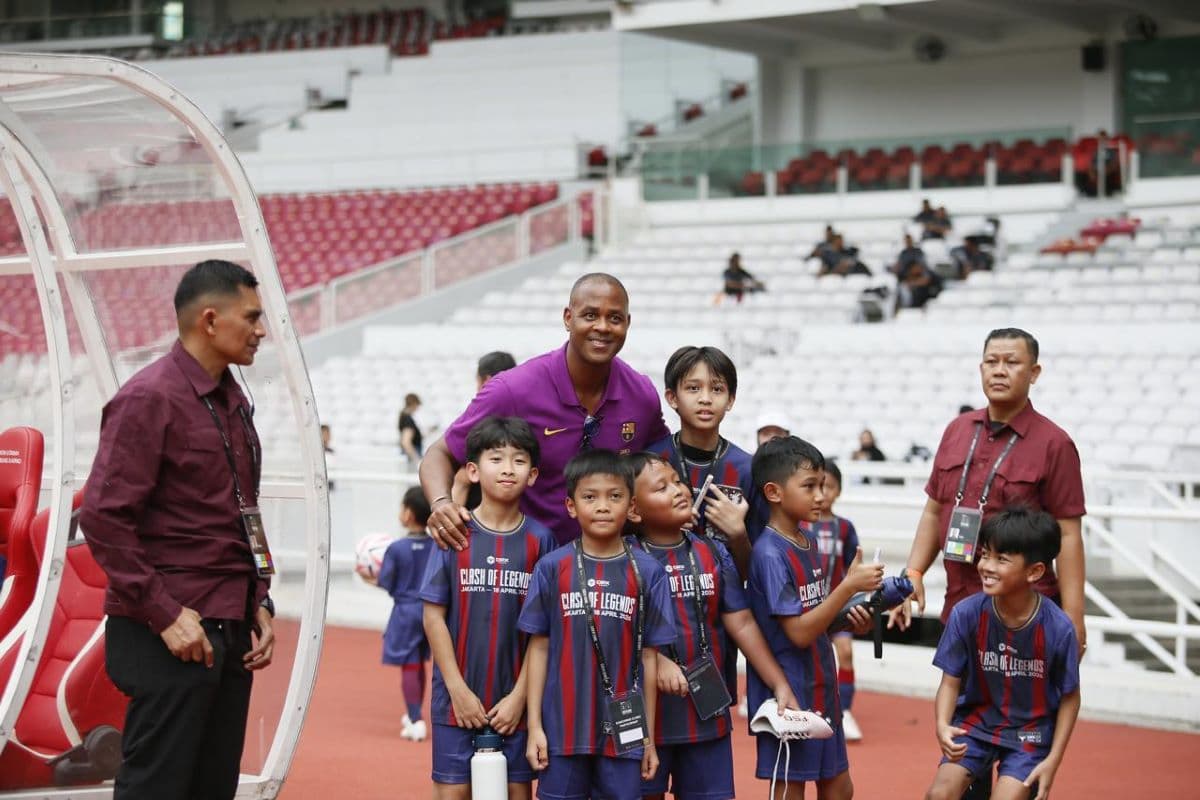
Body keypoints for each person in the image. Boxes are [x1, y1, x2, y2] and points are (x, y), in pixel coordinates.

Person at [80, 260, 276, 799]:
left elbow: (243, 509)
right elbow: (102, 515)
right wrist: (165, 614)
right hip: (169, 629)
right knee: (157, 788)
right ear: (210, 320)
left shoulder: (234, 400)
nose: (262, 330)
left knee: (213, 787)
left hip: (228, 623)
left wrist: (260, 596)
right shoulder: (150, 398)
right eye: (252, 317)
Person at [421, 272, 669, 548]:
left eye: (615, 318)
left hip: (608, 574)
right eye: (590, 315)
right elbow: (440, 453)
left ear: (627, 323)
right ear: (568, 318)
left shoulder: (642, 394)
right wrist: (442, 504)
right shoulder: (512, 389)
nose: (603, 327)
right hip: (526, 568)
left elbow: (665, 466)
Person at [890, 328, 1087, 659]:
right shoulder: (956, 430)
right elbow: (934, 510)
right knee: (959, 704)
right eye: (991, 361)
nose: (999, 370)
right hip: (959, 607)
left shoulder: (1055, 444)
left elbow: (1068, 535)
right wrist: (913, 574)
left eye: (1012, 362)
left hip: (1025, 614)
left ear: (1034, 372)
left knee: (1024, 708)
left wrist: (1074, 616)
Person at [625, 452, 799, 800]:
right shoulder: (623, 558)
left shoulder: (712, 552)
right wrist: (657, 661)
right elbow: (606, 632)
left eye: (677, 481)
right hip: (643, 720)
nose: (678, 489)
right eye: (662, 487)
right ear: (633, 510)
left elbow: (743, 622)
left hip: (705, 714)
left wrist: (779, 683)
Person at [518, 450, 676, 799]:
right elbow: (539, 647)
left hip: (625, 734)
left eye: (614, 496)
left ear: (631, 505)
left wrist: (647, 738)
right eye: (590, 497)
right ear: (572, 506)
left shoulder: (648, 571)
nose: (603, 506)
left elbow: (649, 659)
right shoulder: (551, 568)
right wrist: (534, 728)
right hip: (561, 732)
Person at [421, 416, 556, 798]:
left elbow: (542, 633)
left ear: (532, 475)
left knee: (515, 794)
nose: (508, 468)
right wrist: (457, 690)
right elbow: (433, 617)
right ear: (473, 471)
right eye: (496, 458)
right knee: (454, 793)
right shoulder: (454, 531)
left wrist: (520, 699)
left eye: (519, 460)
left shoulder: (541, 541)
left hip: (513, 705)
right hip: (456, 702)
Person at [745, 436, 882, 799]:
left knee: (839, 788)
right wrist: (848, 588)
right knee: (791, 788)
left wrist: (847, 618)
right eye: (810, 486)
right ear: (774, 492)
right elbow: (799, 633)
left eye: (823, 485)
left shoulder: (807, 540)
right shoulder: (770, 554)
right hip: (791, 690)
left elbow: (815, 616)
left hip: (823, 681)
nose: (821, 495)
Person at [924, 507, 1081, 800]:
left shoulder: (1059, 629)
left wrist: (1053, 760)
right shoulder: (966, 614)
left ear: (1034, 571)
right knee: (939, 795)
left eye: (1002, 559)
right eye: (985, 554)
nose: (986, 565)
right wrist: (942, 725)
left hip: (1029, 734)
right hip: (974, 725)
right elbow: (950, 681)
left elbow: (1070, 697)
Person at [648, 346, 762, 578]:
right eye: (693, 388)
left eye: (717, 389)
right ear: (672, 398)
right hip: (659, 600)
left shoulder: (748, 469)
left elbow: (759, 571)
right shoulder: (649, 462)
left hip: (727, 606)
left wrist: (738, 535)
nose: (705, 399)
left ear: (730, 400)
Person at [808, 461, 863, 742]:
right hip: (811, 609)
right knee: (813, 660)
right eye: (817, 486)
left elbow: (856, 563)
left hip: (839, 608)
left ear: (839, 491)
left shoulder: (845, 528)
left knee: (846, 653)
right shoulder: (802, 525)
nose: (823, 493)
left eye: (829, 486)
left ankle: (845, 711)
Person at [374, 486, 435, 742]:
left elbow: (386, 581)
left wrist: (370, 576)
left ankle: (415, 718)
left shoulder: (396, 548)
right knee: (419, 662)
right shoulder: (437, 545)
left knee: (409, 664)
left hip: (406, 610)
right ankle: (414, 714)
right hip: (430, 610)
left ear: (408, 514)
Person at [456, 351, 520, 509]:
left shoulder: (480, 415)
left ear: (486, 380)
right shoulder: (526, 413)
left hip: (480, 507)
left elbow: (463, 478)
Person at [398, 392, 423, 463]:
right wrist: (417, 460)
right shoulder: (407, 419)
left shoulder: (403, 416)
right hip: (412, 455)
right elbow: (406, 442)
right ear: (414, 404)